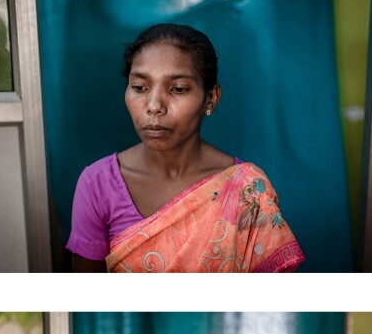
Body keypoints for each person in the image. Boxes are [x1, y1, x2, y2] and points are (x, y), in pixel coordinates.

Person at [67, 24, 304, 272]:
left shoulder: (248, 190)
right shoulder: (97, 185)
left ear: (210, 98)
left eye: (178, 89)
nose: (154, 105)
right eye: (139, 88)